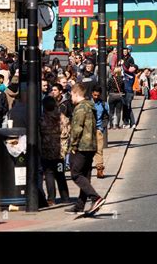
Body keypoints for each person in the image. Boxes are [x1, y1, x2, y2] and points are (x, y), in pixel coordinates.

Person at [65, 83, 105, 215]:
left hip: (82, 145)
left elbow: (77, 128)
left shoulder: (80, 108)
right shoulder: (90, 105)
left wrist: (73, 145)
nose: (71, 97)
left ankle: (96, 198)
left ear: (76, 94)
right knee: (85, 175)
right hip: (91, 145)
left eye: (71, 94)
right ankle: (79, 205)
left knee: (75, 174)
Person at [40, 96, 70, 206]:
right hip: (60, 152)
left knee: (49, 174)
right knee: (60, 174)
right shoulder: (63, 118)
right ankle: (65, 197)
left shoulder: (42, 119)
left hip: (46, 152)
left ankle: (51, 199)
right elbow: (67, 133)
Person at [91, 85, 109, 179]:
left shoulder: (103, 104)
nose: (96, 97)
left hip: (98, 129)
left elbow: (106, 116)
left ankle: (99, 169)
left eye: (98, 95)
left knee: (99, 150)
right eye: (94, 95)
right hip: (88, 130)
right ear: (92, 93)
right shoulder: (87, 103)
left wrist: (102, 127)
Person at [122, 64, 137, 129]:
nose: (130, 67)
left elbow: (125, 70)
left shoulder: (132, 75)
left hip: (129, 93)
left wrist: (122, 64)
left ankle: (132, 123)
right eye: (130, 66)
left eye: (132, 67)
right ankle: (126, 123)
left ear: (134, 69)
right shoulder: (126, 73)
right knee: (125, 108)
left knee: (128, 107)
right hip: (124, 92)